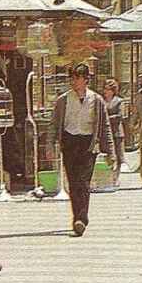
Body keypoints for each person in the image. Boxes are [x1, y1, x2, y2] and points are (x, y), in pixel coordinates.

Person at [49, 64, 115, 237]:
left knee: (84, 181)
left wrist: (111, 152)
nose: (74, 82)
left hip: (88, 142)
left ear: (86, 80)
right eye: (72, 78)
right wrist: (51, 145)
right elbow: (54, 124)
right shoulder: (63, 100)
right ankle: (77, 217)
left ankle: (81, 218)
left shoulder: (97, 100)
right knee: (73, 181)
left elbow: (105, 126)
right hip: (70, 141)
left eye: (77, 78)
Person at [102, 78, 126, 184]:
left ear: (113, 90)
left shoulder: (119, 101)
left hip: (116, 132)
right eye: (105, 89)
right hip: (105, 133)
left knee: (119, 155)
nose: (105, 91)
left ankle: (116, 177)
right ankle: (109, 175)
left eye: (108, 89)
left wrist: (107, 118)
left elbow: (120, 116)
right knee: (107, 155)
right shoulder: (101, 101)